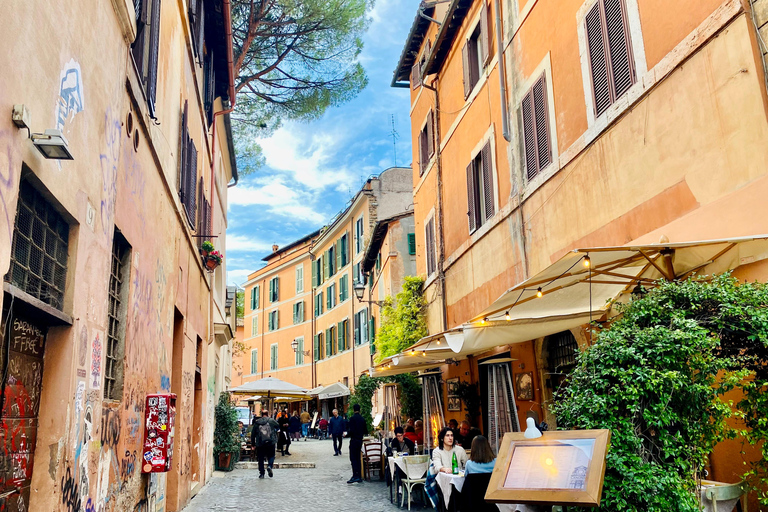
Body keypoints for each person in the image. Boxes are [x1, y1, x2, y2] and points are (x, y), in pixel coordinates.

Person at [251, 410, 280, 479]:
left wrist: (253, 444)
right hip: (271, 442)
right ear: (268, 414)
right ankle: (270, 466)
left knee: (260, 458)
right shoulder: (271, 421)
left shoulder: (257, 422)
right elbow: (278, 426)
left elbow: (253, 434)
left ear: (261, 414)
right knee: (271, 455)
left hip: (260, 443)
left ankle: (262, 473)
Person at [346, 403, 366, 484]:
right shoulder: (362, 419)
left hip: (354, 440)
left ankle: (355, 476)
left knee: (353, 458)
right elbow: (365, 430)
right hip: (360, 440)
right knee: (358, 458)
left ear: (353, 410)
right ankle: (359, 476)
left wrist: (347, 434)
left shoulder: (352, 419)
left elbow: (351, 431)